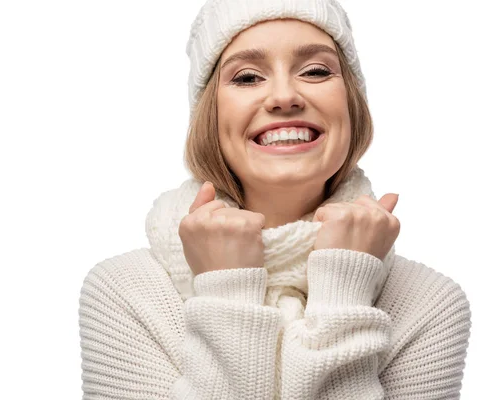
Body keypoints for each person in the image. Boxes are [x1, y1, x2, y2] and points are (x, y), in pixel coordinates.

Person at [78, 0, 472, 398]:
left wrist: (344, 282)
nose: (284, 96)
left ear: (352, 105)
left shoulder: (429, 303)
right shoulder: (124, 292)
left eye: (316, 71)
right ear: (209, 114)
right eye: (248, 78)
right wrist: (228, 290)